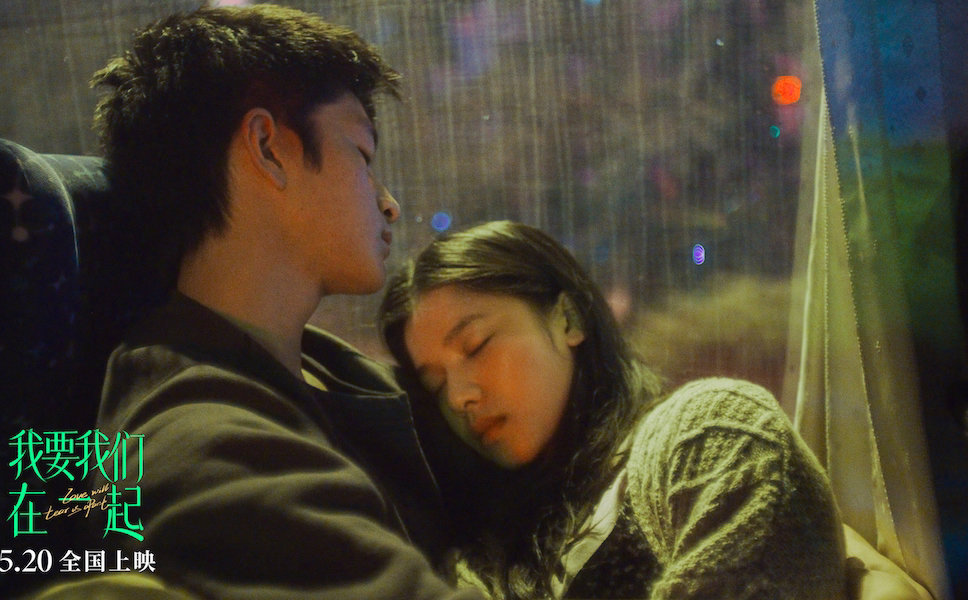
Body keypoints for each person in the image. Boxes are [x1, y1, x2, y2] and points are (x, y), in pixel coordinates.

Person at [83, 5, 484, 599]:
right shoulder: (205, 448)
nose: (389, 203)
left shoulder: (318, 369)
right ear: (267, 147)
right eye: (362, 155)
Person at [379, 220, 930, 600]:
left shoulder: (704, 434)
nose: (460, 396)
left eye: (476, 345)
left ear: (569, 320)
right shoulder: (476, 562)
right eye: (435, 385)